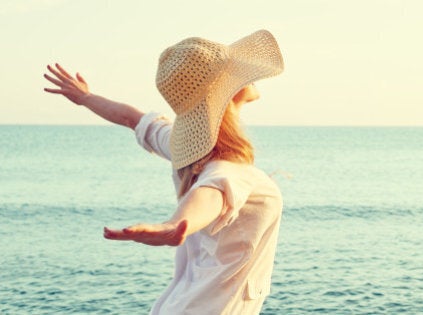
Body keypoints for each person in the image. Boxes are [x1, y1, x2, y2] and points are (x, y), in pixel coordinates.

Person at [43, 30, 284, 315]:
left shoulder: (188, 152)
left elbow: (131, 118)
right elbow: (208, 197)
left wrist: (86, 97)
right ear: (226, 91)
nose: (248, 73)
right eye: (236, 71)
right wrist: (173, 226)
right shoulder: (229, 173)